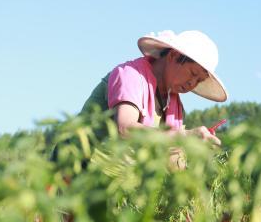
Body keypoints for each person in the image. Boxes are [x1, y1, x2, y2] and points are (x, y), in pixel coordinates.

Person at [81, 30, 227, 146]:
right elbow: (125, 128)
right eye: (193, 73)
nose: (192, 83)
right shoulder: (131, 75)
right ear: (174, 56)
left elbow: (172, 156)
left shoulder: (174, 105)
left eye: (199, 80)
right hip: (76, 169)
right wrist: (186, 136)